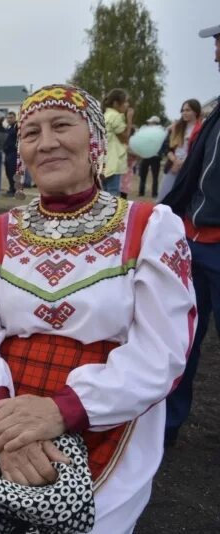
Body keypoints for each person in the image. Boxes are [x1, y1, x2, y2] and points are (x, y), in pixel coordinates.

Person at [0, 84, 195, 533]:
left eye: (62, 126)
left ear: (96, 141)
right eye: (32, 133)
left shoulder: (149, 226)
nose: (47, 143)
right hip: (3, 411)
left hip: (106, 413)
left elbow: (162, 353)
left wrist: (62, 410)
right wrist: (1, 421)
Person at [161, 24, 220, 447]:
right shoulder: (215, 113)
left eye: (219, 43)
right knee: (181, 341)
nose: (215, 53)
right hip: (195, 244)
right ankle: (167, 427)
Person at [158, 99, 203, 202]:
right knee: (163, 198)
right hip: (172, 166)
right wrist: (175, 161)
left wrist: (183, 163)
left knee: (181, 200)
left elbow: (198, 152)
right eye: (183, 110)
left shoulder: (201, 130)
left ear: (196, 111)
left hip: (189, 169)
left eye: (187, 110)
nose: (184, 113)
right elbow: (165, 147)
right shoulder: (176, 127)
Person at [103, 88, 134, 196]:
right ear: (116, 103)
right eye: (125, 101)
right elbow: (125, 138)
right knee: (113, 193)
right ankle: (112, 213)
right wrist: (129, 119)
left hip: (104, 160)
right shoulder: (115, 116)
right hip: (114, 161)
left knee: (104, 193)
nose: (127, 104)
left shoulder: (106, 115)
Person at [138, 116, 165, 197]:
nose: (149, 124)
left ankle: (154, 193)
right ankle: (141, 192)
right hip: (146, 155)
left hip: (155, 157)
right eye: (149, 123)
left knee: (155, 176)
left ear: (155, 123)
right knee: (143, 175)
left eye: (151, 122)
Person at [3, 110, 19, 196]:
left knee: (13, 172)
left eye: (11, 117)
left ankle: (14, 190)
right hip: (7, 153)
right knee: (8, 172)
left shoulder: (16, 127)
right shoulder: (8, 128)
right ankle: (11, 188)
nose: (9, 119)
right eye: (8, 118)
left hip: (14, 152)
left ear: (15, 118)